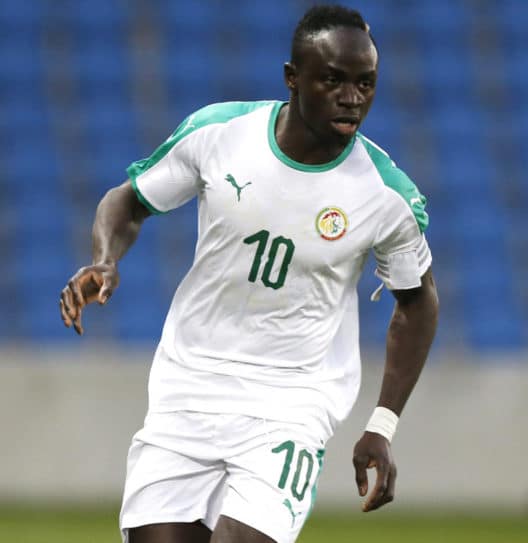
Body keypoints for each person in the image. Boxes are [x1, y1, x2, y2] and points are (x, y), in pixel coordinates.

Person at [59, 5, 438, 543]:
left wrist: (382, 424)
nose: (352, 97)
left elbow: (418, 302)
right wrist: (105, 259)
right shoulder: (219, 135)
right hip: (188, 389)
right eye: (333, 80)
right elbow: (130, 201)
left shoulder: (385, 195)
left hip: (290, 404)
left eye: (366, 83)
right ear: (292, 78)